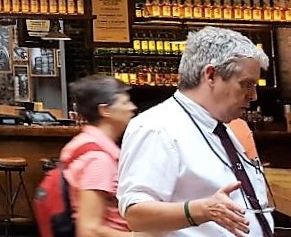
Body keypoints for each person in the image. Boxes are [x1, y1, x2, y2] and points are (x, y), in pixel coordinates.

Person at [118, 26, 271, 237]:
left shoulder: (221, 127)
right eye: (246, 84)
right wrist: (202, 211)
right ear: (211, 75)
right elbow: (135, 214)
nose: (253, 96)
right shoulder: (157, 128)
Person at [60, 75, 138, 237]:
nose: (132, 108)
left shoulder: (83, 143)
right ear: (105, 110)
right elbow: (89, 230)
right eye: (124, 102)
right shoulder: (98, 159)